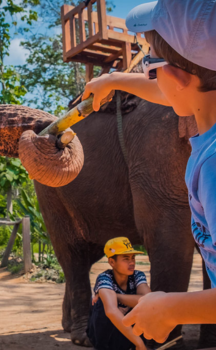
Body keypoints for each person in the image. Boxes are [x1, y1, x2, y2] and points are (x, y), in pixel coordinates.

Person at [82, 0, 216, 344]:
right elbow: (173, 89)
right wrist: (114, 79)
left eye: (150, 64)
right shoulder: (202, 107)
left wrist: (173, 308)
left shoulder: (213, 167)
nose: (148, 75)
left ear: (174, 77)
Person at [86, 237, 150, 350]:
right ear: (112, 262)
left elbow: (149, 300)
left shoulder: (137, 275)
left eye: (133, 258)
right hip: (106, 337)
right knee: (103, 303)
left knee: (147, 307)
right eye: (126, 258)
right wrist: (139, 343)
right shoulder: (104, 278)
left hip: (128, 336)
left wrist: (117, 297)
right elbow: (111, 311)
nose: (132, 262)